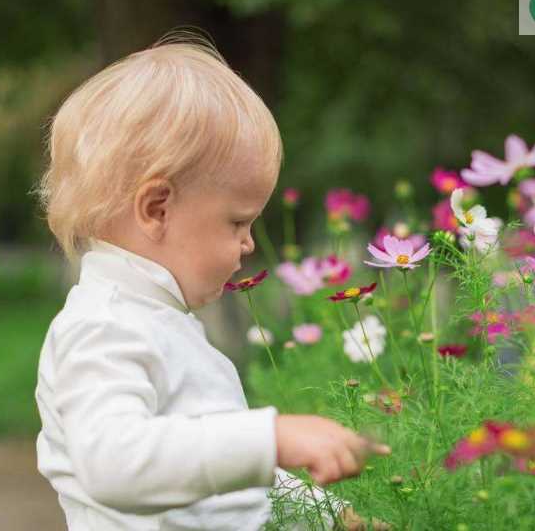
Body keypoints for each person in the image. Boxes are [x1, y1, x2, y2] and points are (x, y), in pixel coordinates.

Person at [33, 32, 390, 530]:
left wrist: (332, 516)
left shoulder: (158, 321)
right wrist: (272, 438)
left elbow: (225, 482)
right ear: (157, 209)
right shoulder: (103, 328)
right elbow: (112, 464)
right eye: (237, 223)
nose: (248, 245)